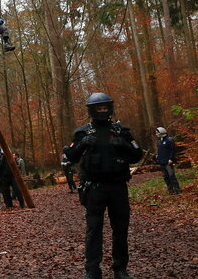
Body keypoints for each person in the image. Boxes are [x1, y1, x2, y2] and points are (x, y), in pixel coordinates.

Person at [63, 92, 142, 279]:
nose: (102, 111)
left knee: (120, 229)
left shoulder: (121, 131)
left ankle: (120, 269)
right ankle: (92, 271)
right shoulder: (82, 132)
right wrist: (82, 145)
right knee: (93, 230)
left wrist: (123, 145)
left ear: (110, 108)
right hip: (94, 188)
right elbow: (71, 156)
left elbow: (137, 154)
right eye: (99, 108)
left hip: (118, 187)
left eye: (105, 107)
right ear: (91, 110)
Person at [155, 127, 181, 195]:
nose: (156, 134)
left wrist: (171, 158)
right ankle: (170, 190)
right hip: (162, 162)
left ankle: (177, 190)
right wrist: (158, 156)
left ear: (161, 132)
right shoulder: (159, 141)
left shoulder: (169, 140)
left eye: (157, 132)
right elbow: (159, 150)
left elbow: (173, 150)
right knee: (165, 177)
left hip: (168, 162)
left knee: (171, 176)